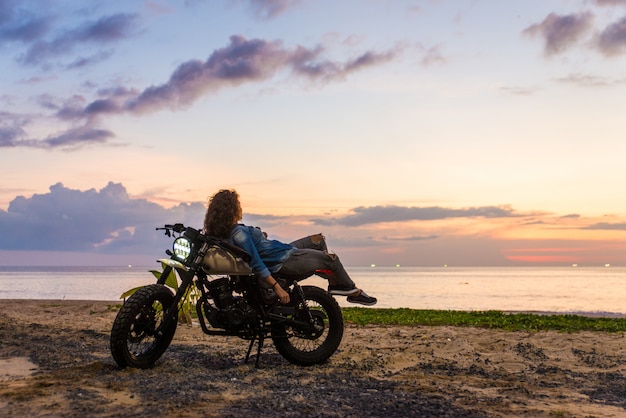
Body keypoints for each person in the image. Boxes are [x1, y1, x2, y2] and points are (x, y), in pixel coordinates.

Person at [203, 189, 377, 306]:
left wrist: (258, 236)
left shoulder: (226, 231)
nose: (240, 207)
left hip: (282, 250)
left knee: (318, 240)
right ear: (232, 209)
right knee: (331, 259)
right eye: (237, 205)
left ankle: (332, 281)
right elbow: (255, 262)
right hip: (283, 260)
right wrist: (276, 287)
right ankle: (351, 290)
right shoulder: (238, 233)